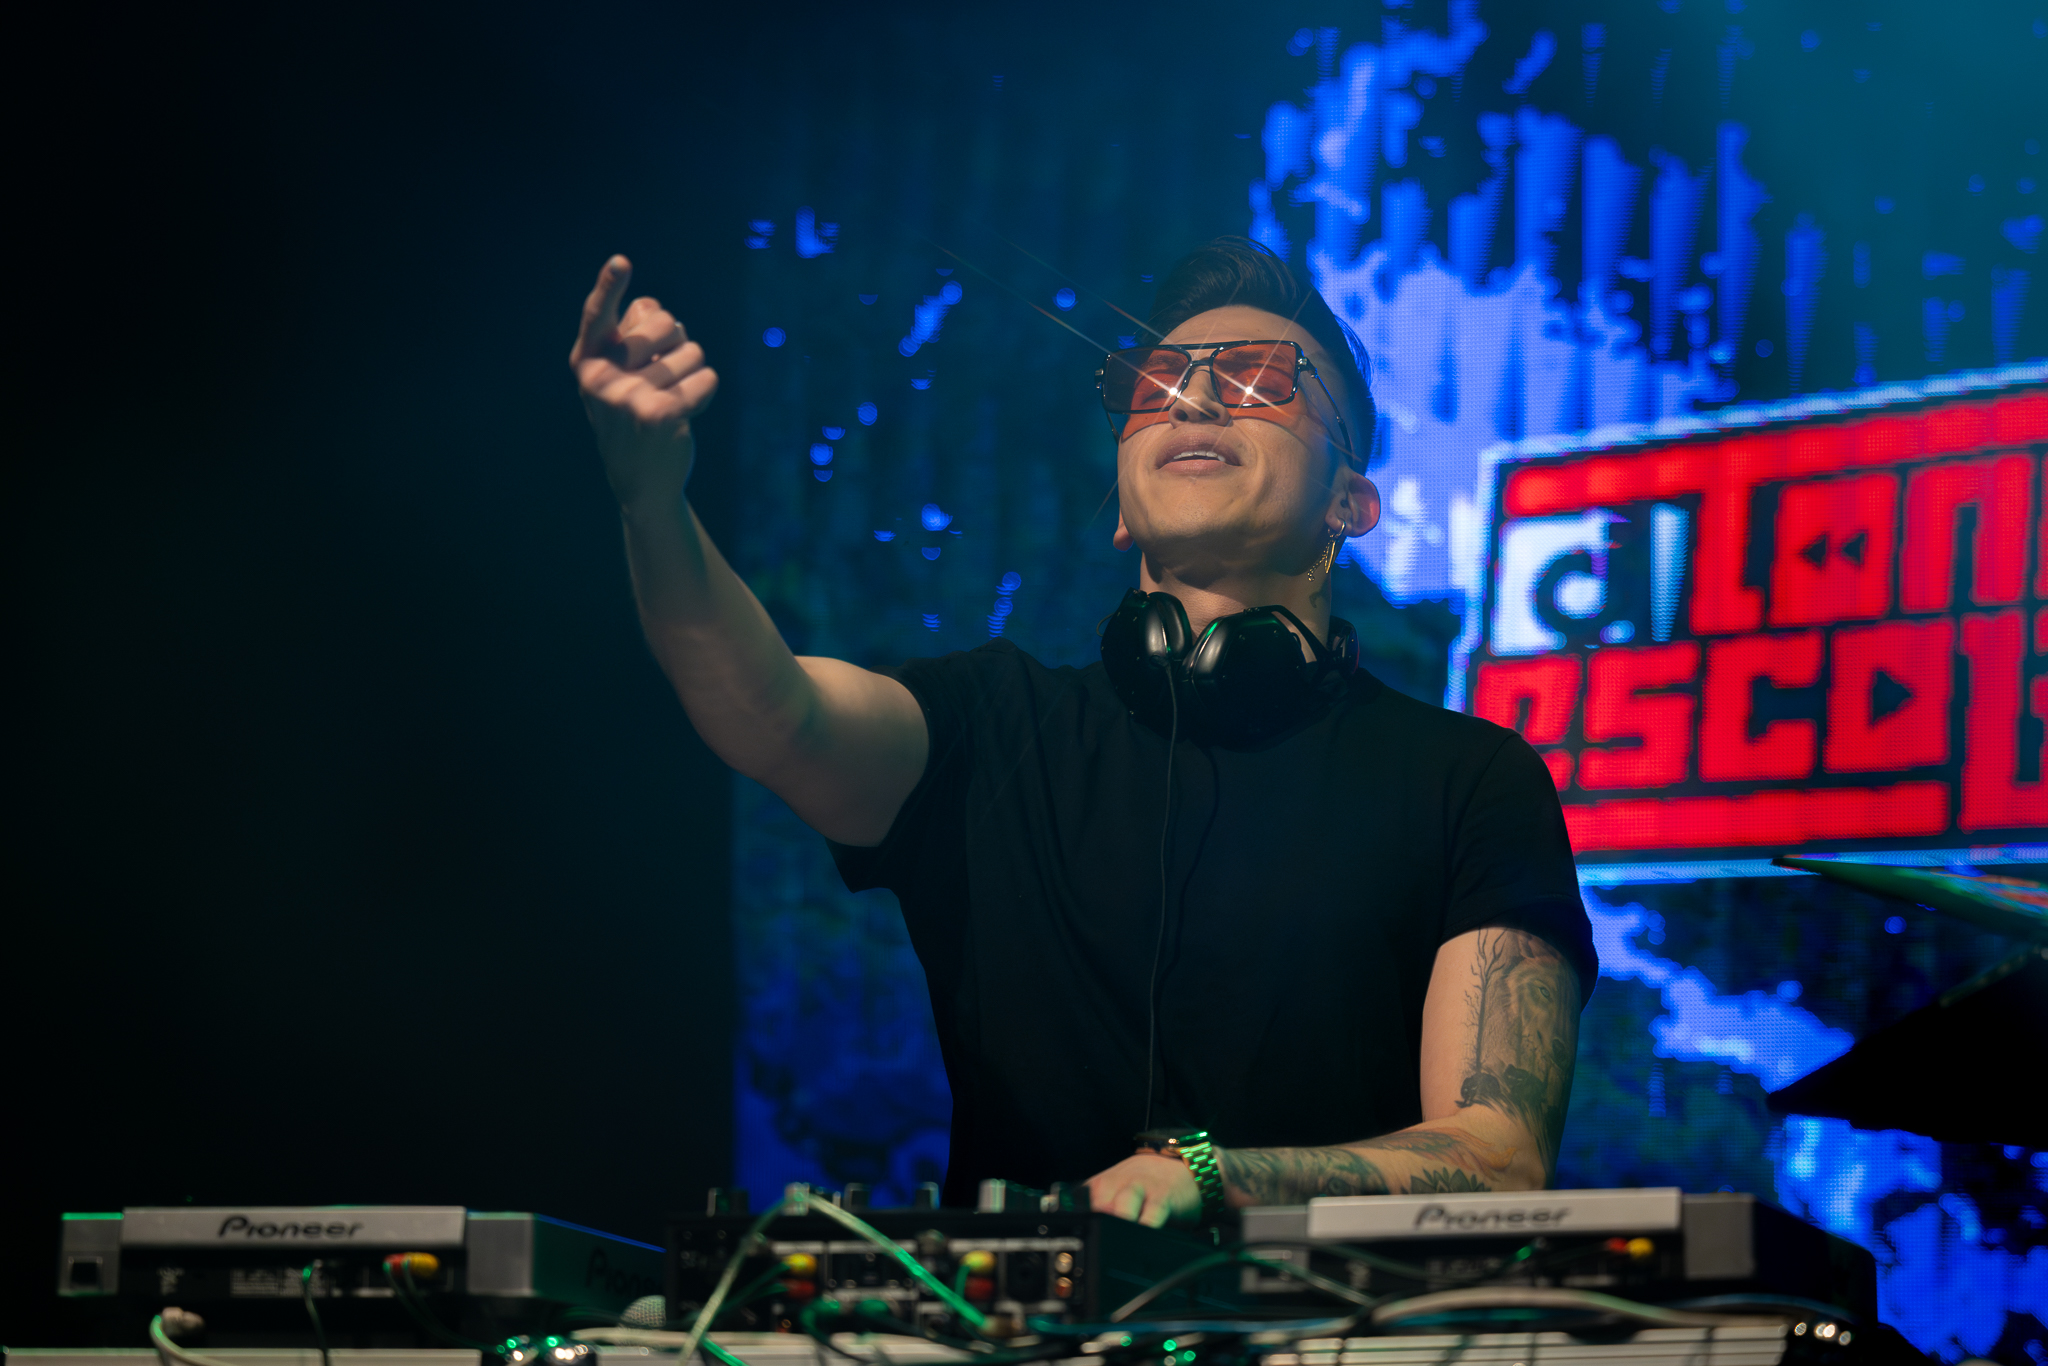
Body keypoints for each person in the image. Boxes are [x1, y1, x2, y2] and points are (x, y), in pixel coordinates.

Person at [570, 236, 1594, 1226]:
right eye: (1154, 385)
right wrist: (651, 501)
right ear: (1120, 508)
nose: (1193, 398)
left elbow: (1498, 1157)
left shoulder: (1469, 779)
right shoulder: (992, 722)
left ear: (1349, 502)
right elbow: (771, 712)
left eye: (1257, 378)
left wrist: (1214, 1178)